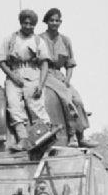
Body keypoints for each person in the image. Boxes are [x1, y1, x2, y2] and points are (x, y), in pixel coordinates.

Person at [39, 8, 96, 148]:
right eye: (51, 20)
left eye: (57, 20)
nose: (54, 23)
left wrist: (68, 79)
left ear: (60, 22)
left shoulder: (65, 40)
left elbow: (70, 63)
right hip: (45, 74)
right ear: (46, 21)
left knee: (77, 99)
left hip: (60, 75)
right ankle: (71, 135)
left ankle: (81, 135)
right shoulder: (39, 39)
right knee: (65, 98)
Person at [0, 9, 51, 150]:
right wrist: (12, 75)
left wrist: (41, 83)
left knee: (36, 106)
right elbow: (1, 61)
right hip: (14, 73)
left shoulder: (39, 41)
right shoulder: (10, 39)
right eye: (25, 23)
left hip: (33, 73)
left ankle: (43, 138)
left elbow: (44, 63)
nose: (28, 26)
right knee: (14, 106)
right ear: (21, 23)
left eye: (31, 24)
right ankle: (23, 138)